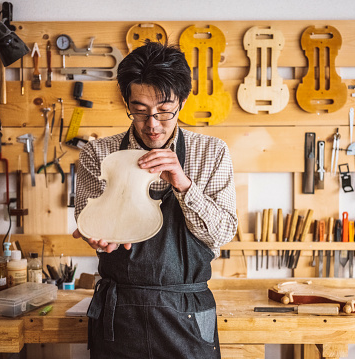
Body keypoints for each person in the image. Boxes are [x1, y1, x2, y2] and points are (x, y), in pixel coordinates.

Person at [72, 41, 237, 358]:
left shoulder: (212, 152)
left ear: (183, 101)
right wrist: (96, 237)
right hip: (120, 313)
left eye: (164, 110)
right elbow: (90, 221)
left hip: (188, 313)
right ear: (127, 101)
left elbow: (223, 234)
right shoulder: (98, 154)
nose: (152, 124)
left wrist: (184, 184)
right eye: (140, 110)